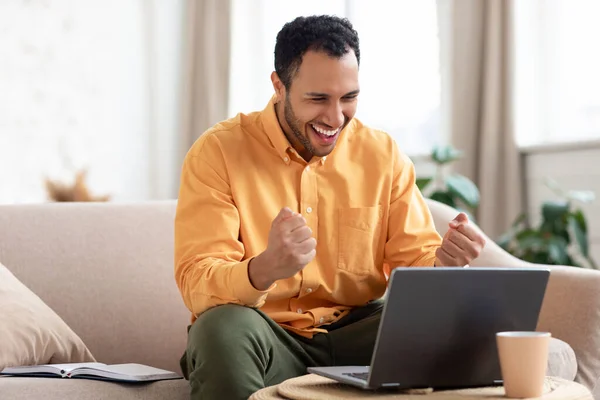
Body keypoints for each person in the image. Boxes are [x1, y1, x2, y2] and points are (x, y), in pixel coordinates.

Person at [174, 15, 486, 400]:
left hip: (361, 329)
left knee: (459, 323)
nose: (335, 118)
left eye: (349, 98)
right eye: (318, 99)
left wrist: (444, 263)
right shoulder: (218, 152)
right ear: (278, 86)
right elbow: (197, 281)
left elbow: (414, 261)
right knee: (218, 330)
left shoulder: (382, 154)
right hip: (267, 334)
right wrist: (264, 268)